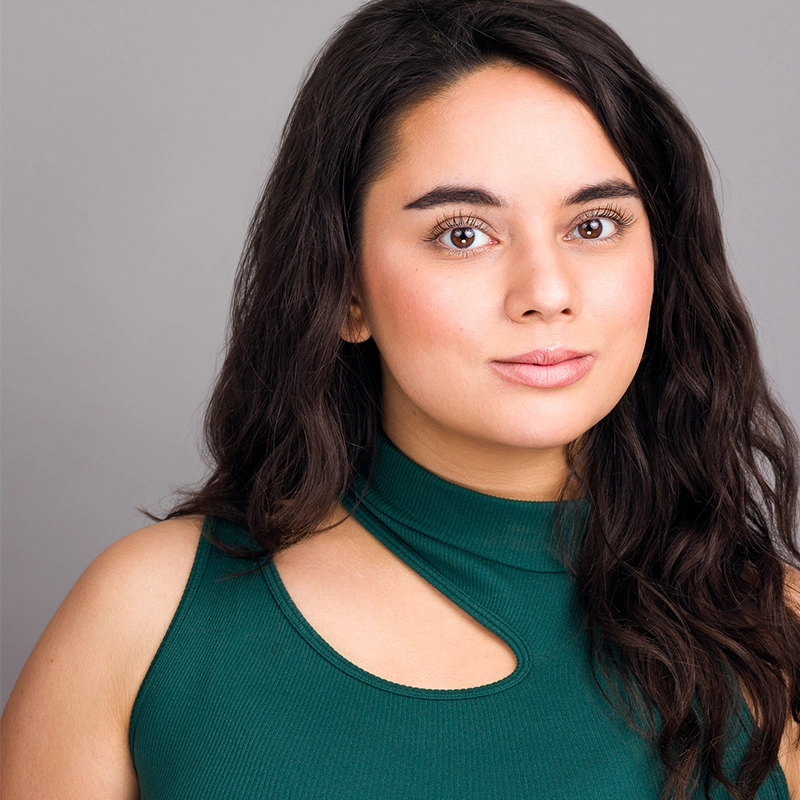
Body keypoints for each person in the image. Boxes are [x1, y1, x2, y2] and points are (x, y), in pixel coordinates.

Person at [2, 0, 799, 797]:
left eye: (594, 225)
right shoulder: (149, 620)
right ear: (344, 289)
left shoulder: (776, 633)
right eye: (462, 233)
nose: (547, 293)